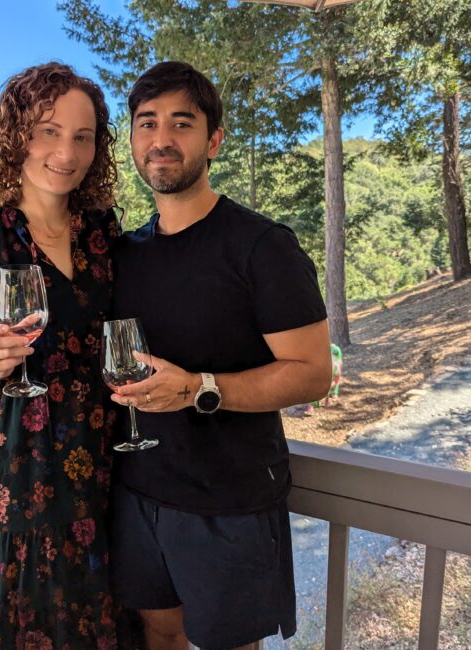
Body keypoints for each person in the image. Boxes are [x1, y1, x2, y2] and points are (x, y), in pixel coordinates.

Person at [109, 61, 333, 650]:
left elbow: (313, 374)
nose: (161, 139)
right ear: (132, 139)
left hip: (229, 498)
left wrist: (199, 388)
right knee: (157, 631)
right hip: (136, 490)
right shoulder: (124, 254)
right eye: (146, 122)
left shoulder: (263, 246)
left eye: (181, 123)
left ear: (213, 140)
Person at [0, 62, 122, 649]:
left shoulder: (103, 230)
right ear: (16, 135)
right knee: (37, 607)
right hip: (25, 455)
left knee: (105, 601)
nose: (67, 151)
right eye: (48, 130)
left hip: (108, 446)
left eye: (83, 136)